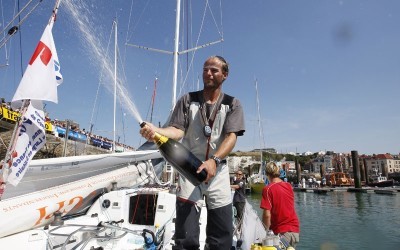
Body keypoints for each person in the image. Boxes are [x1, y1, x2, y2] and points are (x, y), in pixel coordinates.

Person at [140, 55, 245, 250]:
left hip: (218, 171)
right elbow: (177, 130)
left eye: (214, 70)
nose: (208, 73)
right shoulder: (187, 100)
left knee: (221, 236)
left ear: (225, 75)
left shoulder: (233, 104)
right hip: (188, 170)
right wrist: (156, 131)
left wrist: (214, 160)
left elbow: (232, 137)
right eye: (205, 69)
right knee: (185, 236)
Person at [260, 162, 300, 248]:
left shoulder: (268, 189)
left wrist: (265, 231)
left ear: (267, 174)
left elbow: (267, 215)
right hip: (294, 230)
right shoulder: (288, 186)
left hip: (281, 233)